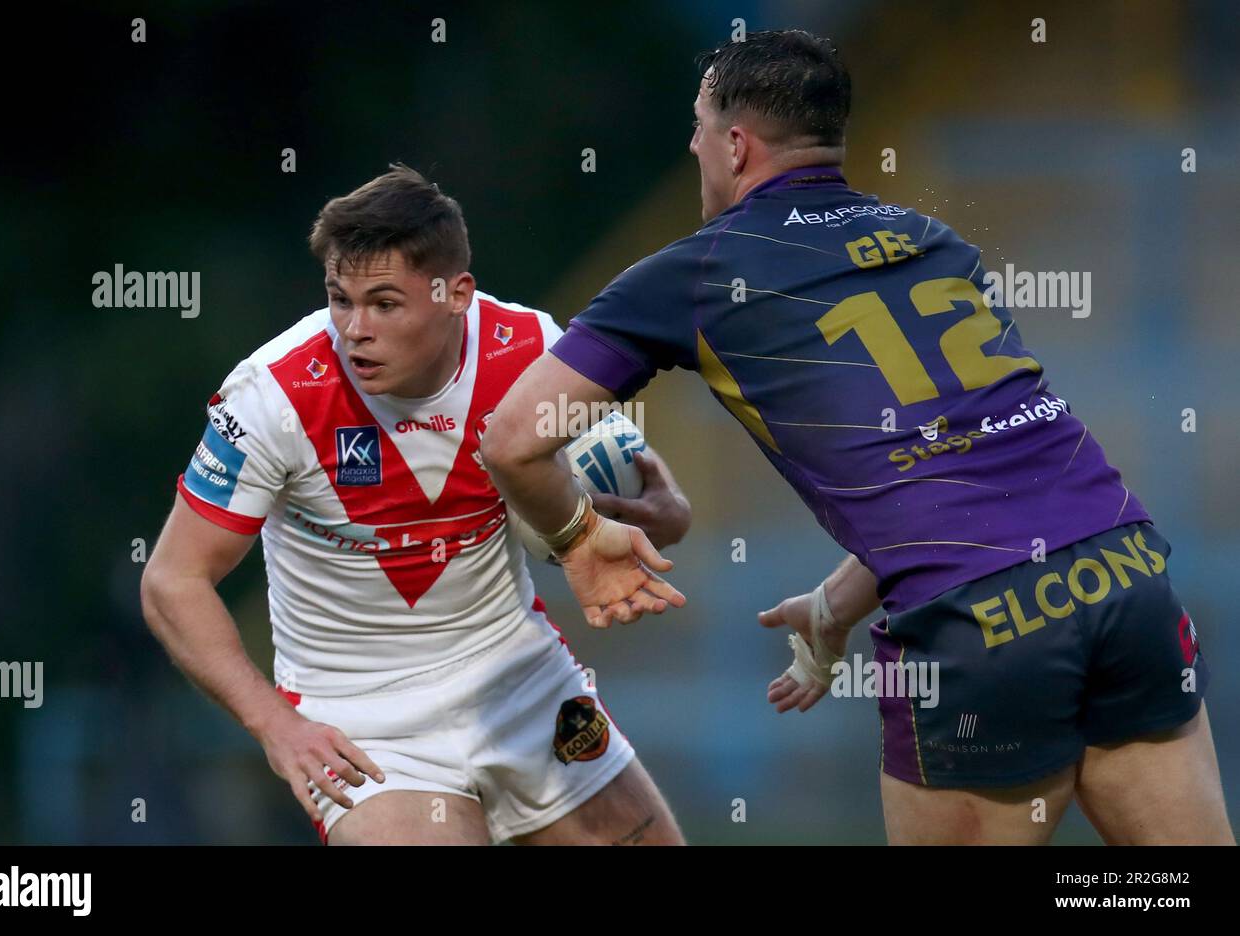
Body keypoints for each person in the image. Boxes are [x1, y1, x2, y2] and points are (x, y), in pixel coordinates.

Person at [480, 31, 1233, 845]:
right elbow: (960, 464)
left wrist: (578, 538)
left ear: (736, 143)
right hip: (1125, 574)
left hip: (979, 627)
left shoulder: (693, 277)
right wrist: (835, 608)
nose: (693, 143)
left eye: (699, 124)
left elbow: (515, 438)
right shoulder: (934, 243)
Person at [140, 165, 690, 845]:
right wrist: (275, 725)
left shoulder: (531, 350)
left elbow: (654, 500)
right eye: (340, 299)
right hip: (366, 725)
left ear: (456, 293)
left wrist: (633, 518)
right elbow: (172, 579)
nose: (353, 329)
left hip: (523, 684)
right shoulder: (272, 397)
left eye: (384, 303)